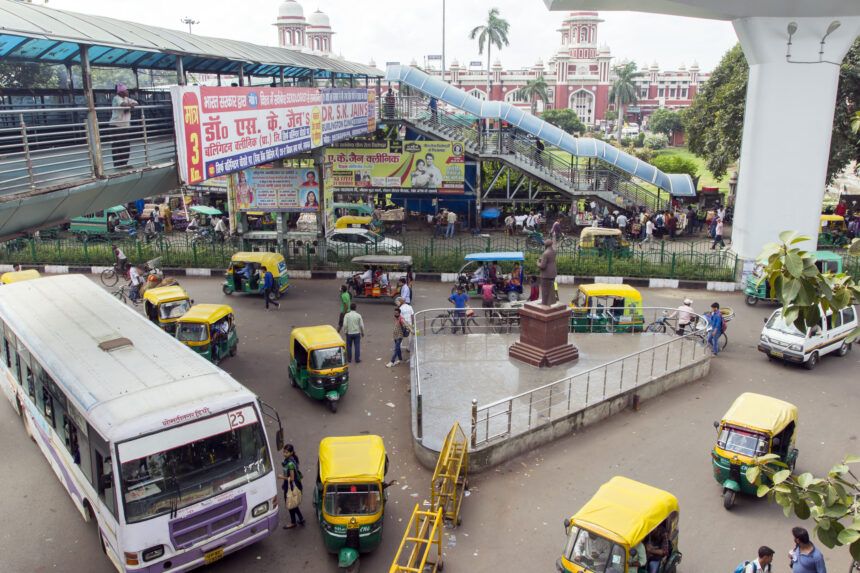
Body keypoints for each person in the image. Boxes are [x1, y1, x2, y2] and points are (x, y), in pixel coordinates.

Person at [109, 83, 138, 168]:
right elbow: (122, 104)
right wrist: (130, 105)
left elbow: (136, 102)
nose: (127, 91)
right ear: (120, 92)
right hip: (116, 125)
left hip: (124, 125)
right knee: (118, 145)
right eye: (125, 90)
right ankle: (118, 164)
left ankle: (124, 163)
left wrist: (132, 105)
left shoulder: (126, 98)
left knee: (125, 145)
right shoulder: (116, 98)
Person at [277, 444, 305, 529]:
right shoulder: (289, 461)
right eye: (284, 452)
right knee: (292, 502)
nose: (284, 454)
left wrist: (281, 477)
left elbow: (292, 478)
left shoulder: (290, 464)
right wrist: (283, 483)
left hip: (291, 485)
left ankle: (293, 522)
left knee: (290, 503)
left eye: (286, 452)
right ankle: (300, 518)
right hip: (287, 484)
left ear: (291, 453)